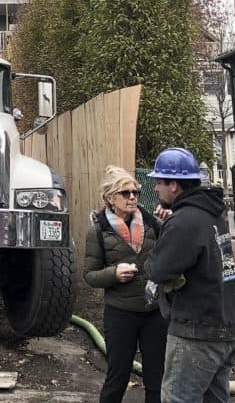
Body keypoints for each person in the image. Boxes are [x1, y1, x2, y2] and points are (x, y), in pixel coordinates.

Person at [143, 147, 235, 403]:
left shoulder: (185, 221)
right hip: (226, 328)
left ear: (174, 185)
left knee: (178, 398)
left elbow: (158, 269)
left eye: (159, 182)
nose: (155, 189)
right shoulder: (212, 213)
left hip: (197, 333)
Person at [84, 165, 167, 403]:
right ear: (110, 198)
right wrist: (113, 274)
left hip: (154, 313)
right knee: (117, 377)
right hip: (120, 314)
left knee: (156, 380)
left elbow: (174, 244)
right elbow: (89, 275)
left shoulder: (152, 223)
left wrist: (171, 217)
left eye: (135, 192)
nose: (132, 197)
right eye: (125, 193)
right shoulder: (98, 231)